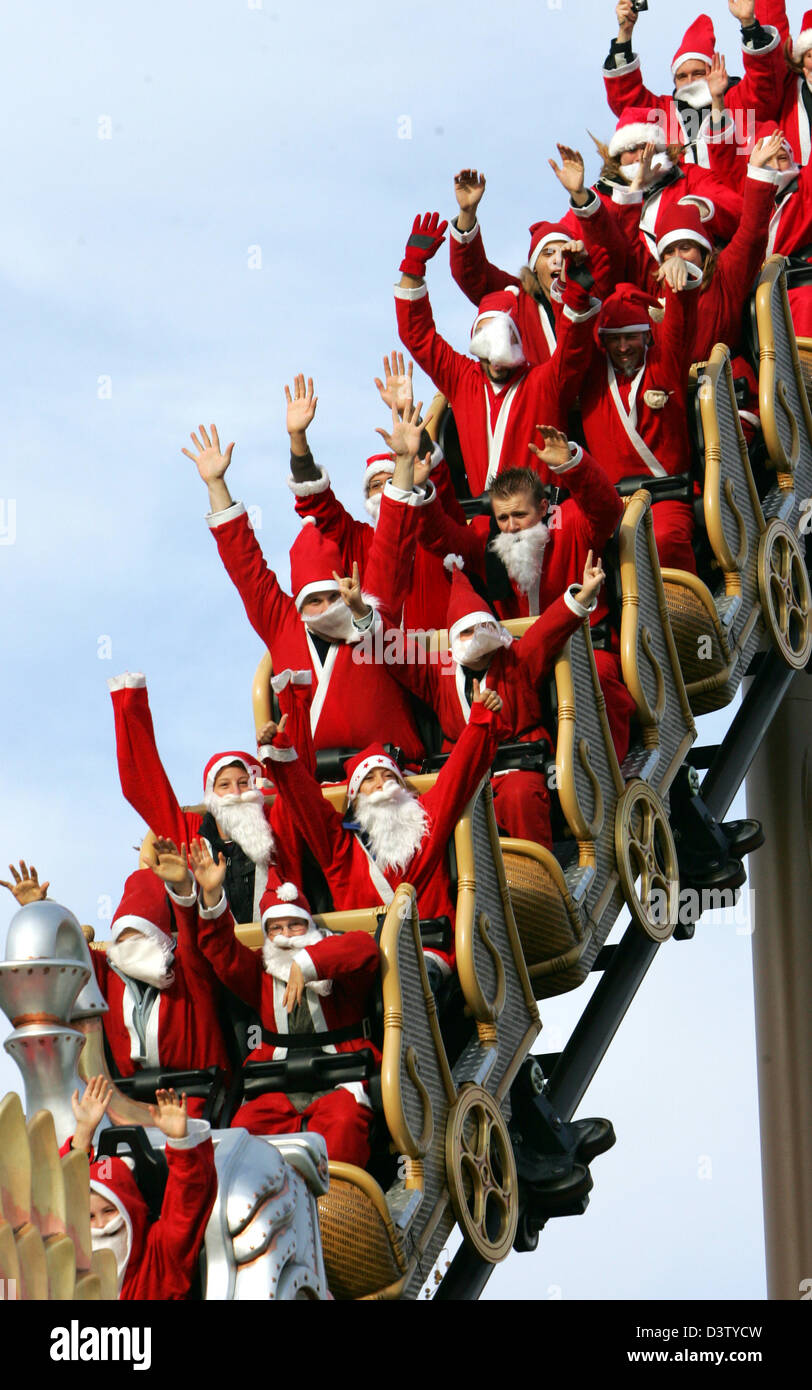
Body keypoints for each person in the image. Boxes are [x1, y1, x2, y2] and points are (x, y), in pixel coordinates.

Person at [360, 417, 606, 845]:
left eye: (520, 516)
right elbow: (440, 537)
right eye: (503, 518)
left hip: (581, 651)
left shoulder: (574, 526)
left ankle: (602, 789)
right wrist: (416, 487)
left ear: (543, 508)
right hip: (490, 736)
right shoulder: (490, 547)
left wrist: (572, 464)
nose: (511, 526)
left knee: (601, 686)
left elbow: (606, 511)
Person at [184, 422, 425, 764]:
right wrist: (216, 484)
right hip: (311, 794)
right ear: (299, 605)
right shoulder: (282, 625)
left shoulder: (368, 615)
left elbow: (393, 547)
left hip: (389, 780)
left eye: (333, 596)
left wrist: (403, 462)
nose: (327, 607)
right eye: (314, 600)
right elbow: (245, 566)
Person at [257, 682, 505, 989]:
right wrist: (282, 752)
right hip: (363, 961)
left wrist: (480, 719)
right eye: (369, 779)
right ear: (355, 799)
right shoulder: (339, 847)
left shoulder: (426, 820)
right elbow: (306, 803)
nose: (381, 784)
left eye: (390, 776)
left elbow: (459, 772)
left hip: (427, 952)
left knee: (416, 986)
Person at [189, 842, 379, 1166]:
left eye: (295, 925)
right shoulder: (261, 972)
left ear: (310, 927)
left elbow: (365, 948)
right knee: (243, 1133)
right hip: (277, 1083)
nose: (286, 936)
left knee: (344, 1125)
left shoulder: (334, 963)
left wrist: (307, 963)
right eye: (275, 928)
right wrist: (211, 897)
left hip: (339, 1077)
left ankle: (339, 1208)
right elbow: (222, 952)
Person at [395, 211, 600, 496]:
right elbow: (417, 334)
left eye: (506, 339)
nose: (496, 356)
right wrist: (412, 268)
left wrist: (576, 292)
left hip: (547, 519)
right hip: (487, 523)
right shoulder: (463, 380)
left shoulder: (544, 383)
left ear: (520, 338)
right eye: (486, 341)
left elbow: (574, 348)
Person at [109, 672, 304, 922]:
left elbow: (302, 793)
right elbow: (144, 786)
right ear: (210, 796)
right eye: (224, 785)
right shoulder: (191, 832)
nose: (236, 792)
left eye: (244, 783)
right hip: (216, 956)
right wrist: (130, 707)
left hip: (281, 946)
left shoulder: (277, 825)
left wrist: (281, 746)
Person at [284, 367, 464, 630]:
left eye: (390, 482)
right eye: (374, 486)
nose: (382, 491)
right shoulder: (357, 542)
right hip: (381, 659)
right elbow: (317, 503)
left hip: (441, 660)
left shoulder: (437, 528)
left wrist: (406, 411)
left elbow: (434, 471)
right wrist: (298, 438)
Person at [579, 260, 704, 576]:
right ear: (603, 341)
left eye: (631, 337)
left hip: (666, 497)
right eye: (614, 339)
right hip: (610, 505)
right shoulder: (594, 376)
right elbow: (571, 337)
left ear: (647, 336)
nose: (622, 348)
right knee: (572, 545)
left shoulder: (665, 362)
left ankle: (681, 617)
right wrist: (577, 284)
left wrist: (679, 283)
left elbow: (680, 325)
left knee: (663, 540)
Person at [64, 1076, 216, 1300]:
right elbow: (53, 1199)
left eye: (109, 1211)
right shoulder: (71, 1270)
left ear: (128, 1208)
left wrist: (179, 1141)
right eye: (89, 1216)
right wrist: (83, 1132)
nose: (102, 1225)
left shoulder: (159, 1257)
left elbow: (188, 1201)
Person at [448, 171, 615, 366]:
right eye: (548, 253)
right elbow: (472, 275)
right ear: (534, 267)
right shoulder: (518, 299)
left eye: (565, 252)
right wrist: (467, 214)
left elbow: (612, 248)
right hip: (539, 394)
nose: (558, 260)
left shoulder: (594, 293)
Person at [604, 1, 784, 165]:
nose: (689, 81)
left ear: (714, 70)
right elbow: (625, 98)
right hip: (683, 199)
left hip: (738, 196)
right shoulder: (663, 114)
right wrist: (624, 34)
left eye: (698, 73)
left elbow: (766, 79)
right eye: (682, 76)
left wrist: (749, 24)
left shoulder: (739, 101)